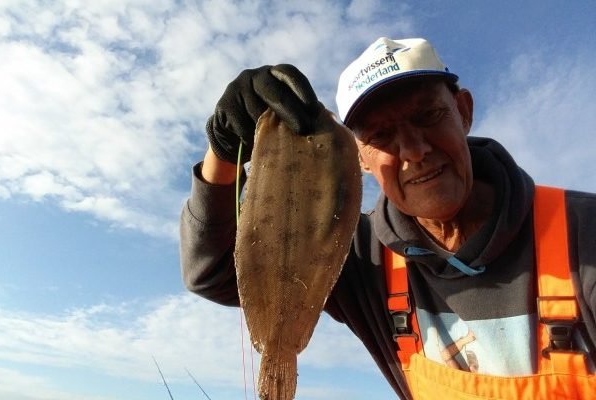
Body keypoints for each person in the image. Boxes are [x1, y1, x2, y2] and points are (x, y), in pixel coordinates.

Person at [180, 37, 596, 399]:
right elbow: (211, 273)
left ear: (463, 111)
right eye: (380, 136)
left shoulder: (584, 232)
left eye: (428, 116)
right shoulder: (360, 255)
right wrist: (222, 148)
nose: (414, 150)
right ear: (360, 157)